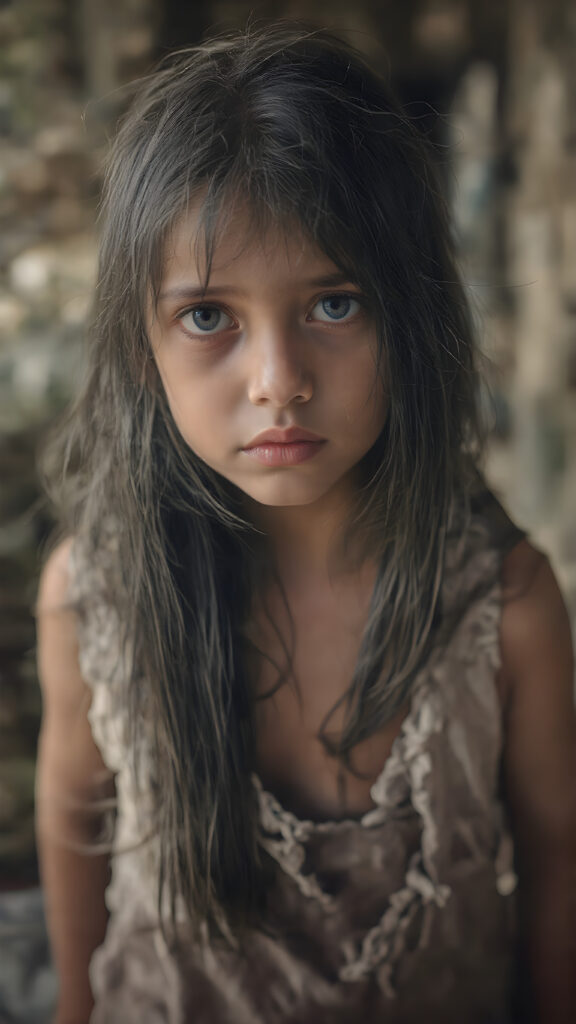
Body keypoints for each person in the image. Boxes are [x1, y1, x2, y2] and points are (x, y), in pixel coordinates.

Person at [34, 23, 575, 1024]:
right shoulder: (96, 599)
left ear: (410, 317)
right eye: (209, 317)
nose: (278, 382)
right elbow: (73, 812)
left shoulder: (505, 610)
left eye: (334, 304)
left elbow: (556, 853)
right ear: (139, 341)